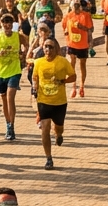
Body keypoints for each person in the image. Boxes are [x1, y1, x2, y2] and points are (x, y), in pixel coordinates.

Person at [32, 36, 76, 170]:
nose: (48, 49)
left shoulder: (62, 62)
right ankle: (48, 158)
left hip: (59, 102)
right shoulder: (39, 62)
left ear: (56, 49)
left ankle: (59, 135)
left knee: (58, 127)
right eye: (46, 46)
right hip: (43, 100)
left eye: (51, 47)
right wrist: (35, 86)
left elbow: (73, 76)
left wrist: (63, 81)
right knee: (45, 128)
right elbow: (35, 77)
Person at [0, 12, 24, 140]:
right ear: (1, 24)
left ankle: (12, 125)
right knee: (4, 99)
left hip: (14, 70)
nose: (7, 25)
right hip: (1, 72)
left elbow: (26, 45)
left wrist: (23, 53)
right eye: (4, 22)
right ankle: (8, 124)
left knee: (10, 97)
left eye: (9, 22)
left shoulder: (18, 36)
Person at [62, 0, 94, 98]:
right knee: (72, 64)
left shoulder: (86, 15)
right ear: (72, 6)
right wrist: (66, 32)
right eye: (74, 5)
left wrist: (82, 27)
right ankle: (74, 86)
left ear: (80, 6)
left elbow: (90, 29)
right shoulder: (68, 16)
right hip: (71, 43)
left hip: (83, 44)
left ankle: (82, 86)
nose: (76, 7)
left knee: (82, 65)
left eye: (78, 5)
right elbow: (64, 27)